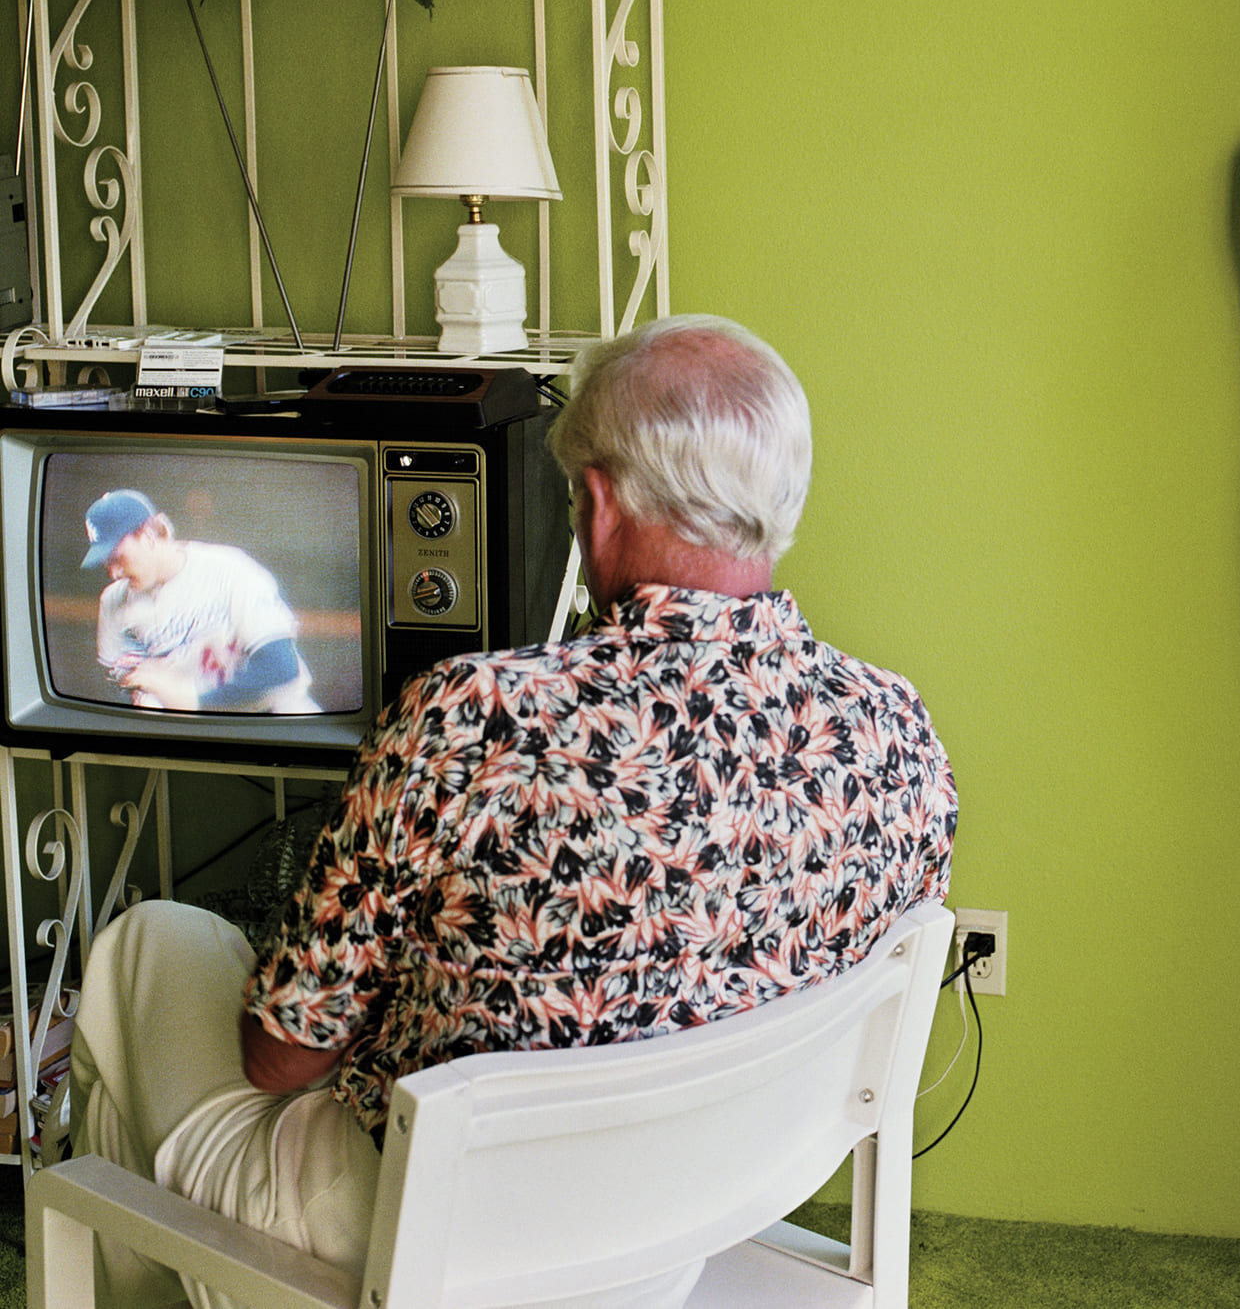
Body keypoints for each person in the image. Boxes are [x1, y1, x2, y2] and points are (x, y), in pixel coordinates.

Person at [67, 314, 959, 1309]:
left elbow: (283, 1055)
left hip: (436, 1238)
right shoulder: (896, 727)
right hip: (705, 1208)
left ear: (599, 501)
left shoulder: (473, 716)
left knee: (142, 952)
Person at [83, 488, 319, 714]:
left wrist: (193, 701)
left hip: (277, 720)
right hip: (195, 732)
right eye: (105, 561)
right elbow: (120, 683)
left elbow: (281, 669)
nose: (113, 572)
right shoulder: (114, 600)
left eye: (118, 557)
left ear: (148, 534)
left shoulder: (231, 570)